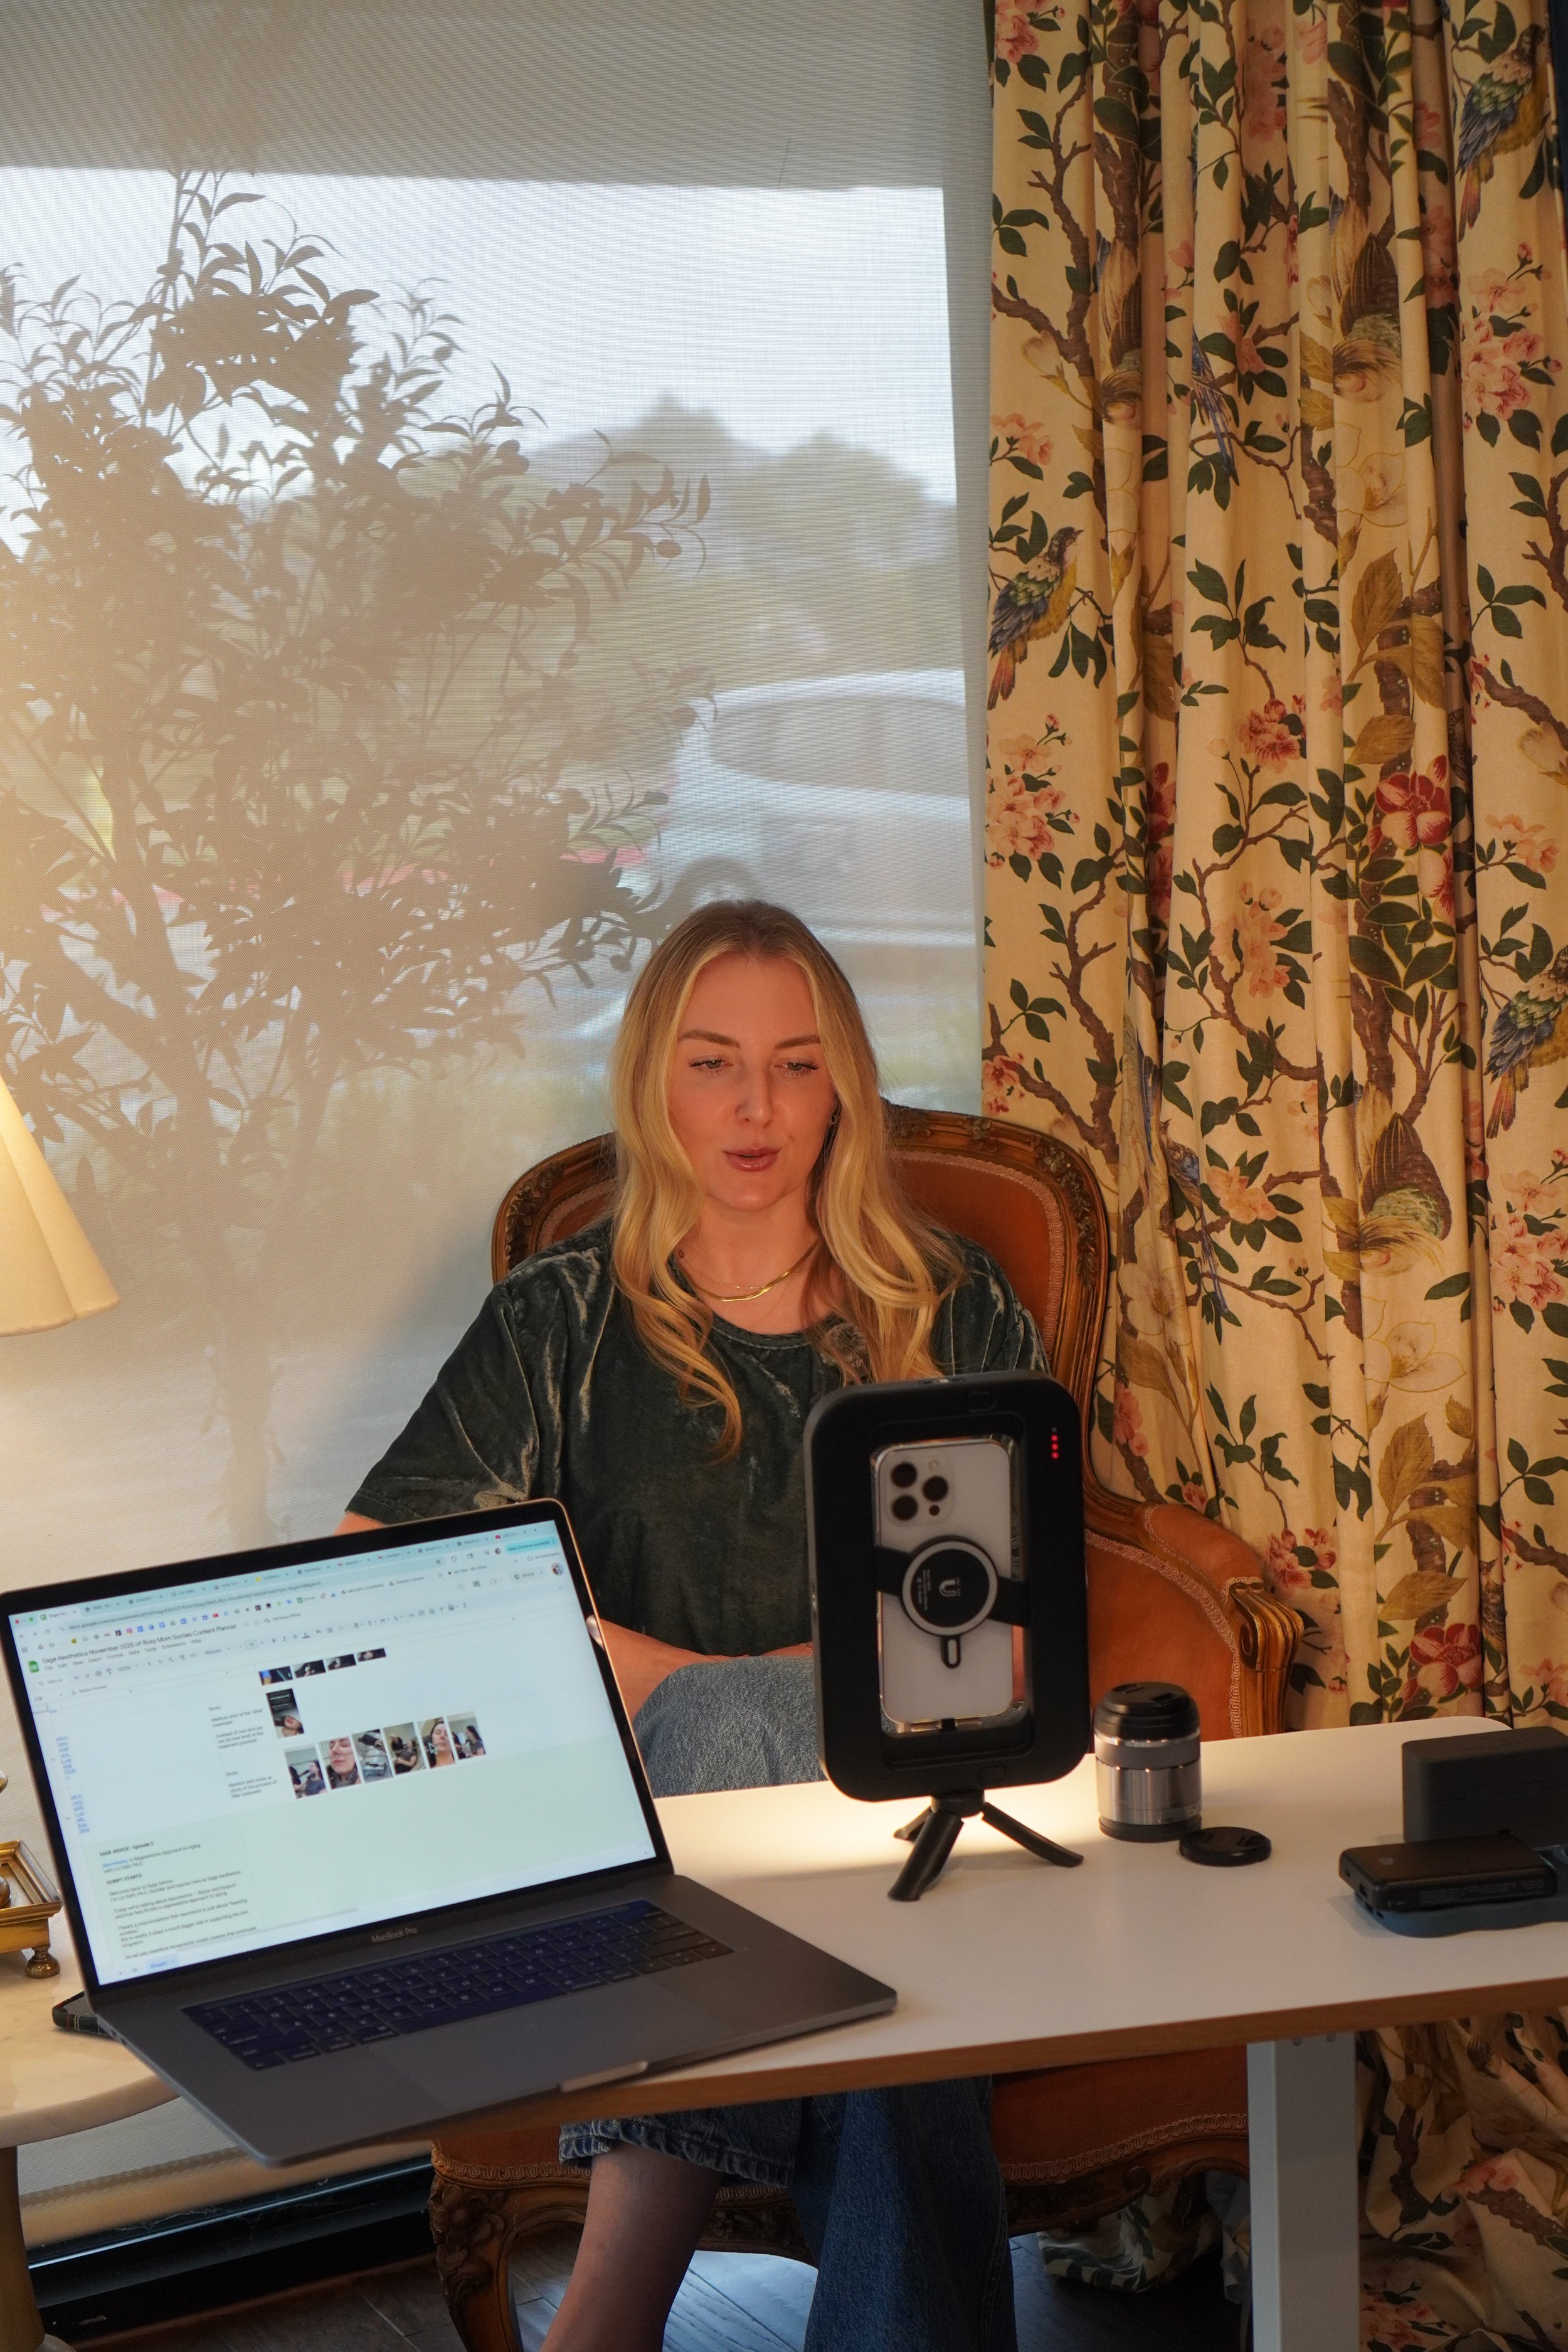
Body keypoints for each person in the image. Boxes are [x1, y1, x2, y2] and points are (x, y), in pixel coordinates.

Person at [337, 901, 1043, 2352]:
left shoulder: (944, 1304)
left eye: (794, 1064)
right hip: (652, 1845)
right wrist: (722, 1692)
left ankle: (608, 2311)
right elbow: (390, 1576)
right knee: (887, 2023)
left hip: (915, 1812)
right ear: (654, 1081)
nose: (754, 1107)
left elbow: (1011, 1639)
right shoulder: (560, 1318)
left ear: (841, 1082)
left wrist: (676, 1675)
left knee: (742, 1738)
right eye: (714, 1062)